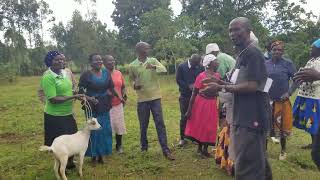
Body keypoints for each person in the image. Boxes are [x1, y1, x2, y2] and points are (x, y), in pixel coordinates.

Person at [200, 17, 272, 180]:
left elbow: (253, 85)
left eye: (237, 29)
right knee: (258, 163)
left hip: (251, 118)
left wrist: (221, 87)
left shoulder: (253, 53)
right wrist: (220, 82)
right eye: (230, 30)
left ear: (248, 30)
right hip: (242, 115)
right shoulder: (242, 55)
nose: (232, 34)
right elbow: (240, 83)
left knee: (246, 168)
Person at [128, 41, 175, 160]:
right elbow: (131, 80)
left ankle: (166, 150)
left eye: (148, 47)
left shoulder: (152, 60)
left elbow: (164, 69)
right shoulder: (132, 65)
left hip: (155, 98)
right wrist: (134, 85)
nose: (148, 49)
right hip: (142, 99)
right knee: (143, 125)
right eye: (146, 48)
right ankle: (144, 147)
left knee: (160, 123)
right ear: (139, 50)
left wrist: (153, 67)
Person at [40, 50, 85, 170]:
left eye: (62, 59)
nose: (61, 61)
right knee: (59, 141)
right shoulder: (48, 77)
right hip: (55, 116)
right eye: (57, 59)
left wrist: (76, 93)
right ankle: (61, 165)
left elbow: (70, 88)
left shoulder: (67, 72)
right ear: (50, 62)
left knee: (71, 138)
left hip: (68, 113)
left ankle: (70, 162)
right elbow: (53, 99)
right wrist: (73, 96)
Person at [79, 53, 120, 165]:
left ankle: (102, 154)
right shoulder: (86, 75)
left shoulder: (106, 73)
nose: (99, 61)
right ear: (91, 62)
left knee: (104, 129)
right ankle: (93, 156)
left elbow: (111, 87)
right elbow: (80, 93)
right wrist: (90, 98)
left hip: (104, 104)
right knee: (93, 130)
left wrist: (119, 97)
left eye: (100, 59)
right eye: (96, 60)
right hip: (92, 106)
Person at [265, 41, 296, 160]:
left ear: (283, 52)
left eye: (280, 50)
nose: (277, 52)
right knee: (266, 126)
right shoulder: (265, 63)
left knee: (282, 127)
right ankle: (264, 151)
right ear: (270, 51)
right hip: (267, 101)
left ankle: (283, 150)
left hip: (281, 102)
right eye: (275, 49)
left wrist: (289, 93)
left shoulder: (287, 64)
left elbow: (297, 79)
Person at [184, 54, 220, 157]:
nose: (217, 62)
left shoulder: (217, 76)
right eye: (215, 61)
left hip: (212, 103)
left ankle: (205, 149)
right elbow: (194, 92)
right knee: (201, 124)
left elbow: (218, 90)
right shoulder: (201, 76)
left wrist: (215, 93)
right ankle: (200, 149)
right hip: (201, 103)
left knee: (210, 126)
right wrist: (189, 109)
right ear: (210, 64)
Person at [293, 38, 320, 169]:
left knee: (313, 122)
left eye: (312, 47)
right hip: (305, 95)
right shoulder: (311, 61)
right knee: (309, 123)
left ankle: (316, 145)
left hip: (314, 97)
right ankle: (313, 143)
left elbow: (316, 78)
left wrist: (309, 79)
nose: (310, 49)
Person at [175, 54, 204, 147]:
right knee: (184, 116)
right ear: (191, 60)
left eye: (198, 64)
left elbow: (202, 78)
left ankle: (194, 137)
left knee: (197, 117)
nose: (197, 65)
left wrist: (197, 87)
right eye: (196, 63)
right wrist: (188, 86)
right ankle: (183, 138)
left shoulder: (200, 67)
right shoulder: (181, 67)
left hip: (197, 96)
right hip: (185, 96)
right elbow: (178, 80)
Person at [103, 55, 127, 153]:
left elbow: (123, 86)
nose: (111, 62)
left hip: (118, 104)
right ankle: (107, 146)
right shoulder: (102, 74)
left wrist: (124, 94)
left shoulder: (118, 73)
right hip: (106, 105)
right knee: (108, 126)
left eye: (113, 60)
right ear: (104, 63)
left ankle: (119, 145)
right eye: (109, 61)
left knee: (118, 125)